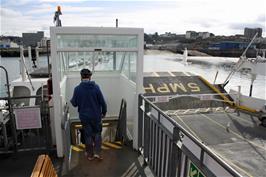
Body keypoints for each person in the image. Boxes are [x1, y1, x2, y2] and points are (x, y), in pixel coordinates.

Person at [70, 68, 107, 160]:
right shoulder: (96, 87)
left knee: (88, 135)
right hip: (96, 116)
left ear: (81, 77)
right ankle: (97, 153)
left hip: (84, 117)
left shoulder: (77, 89)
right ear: (90, 77)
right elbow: (102, 102)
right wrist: (104, 112)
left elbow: (74, 103)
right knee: (97, 133)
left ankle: (90, 155)